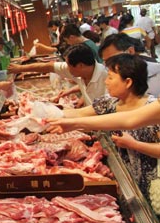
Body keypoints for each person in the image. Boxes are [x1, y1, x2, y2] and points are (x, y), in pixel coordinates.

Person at [51, 54, 160, 203]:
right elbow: (126, 119)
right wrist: (46, 116)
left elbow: (129, 120)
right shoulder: (110, 102)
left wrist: (135, 145)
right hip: (120, 180)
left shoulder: (151, 106)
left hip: (148, 184)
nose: (105, 81)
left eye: (110, 77)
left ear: (128, 82)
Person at [8, 43, 107, 107]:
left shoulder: (106, 78)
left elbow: (109, 110)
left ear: (80, 65)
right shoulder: (82, 71)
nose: (66, 67)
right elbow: (48, 67)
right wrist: (20, 68)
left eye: (68, 64)